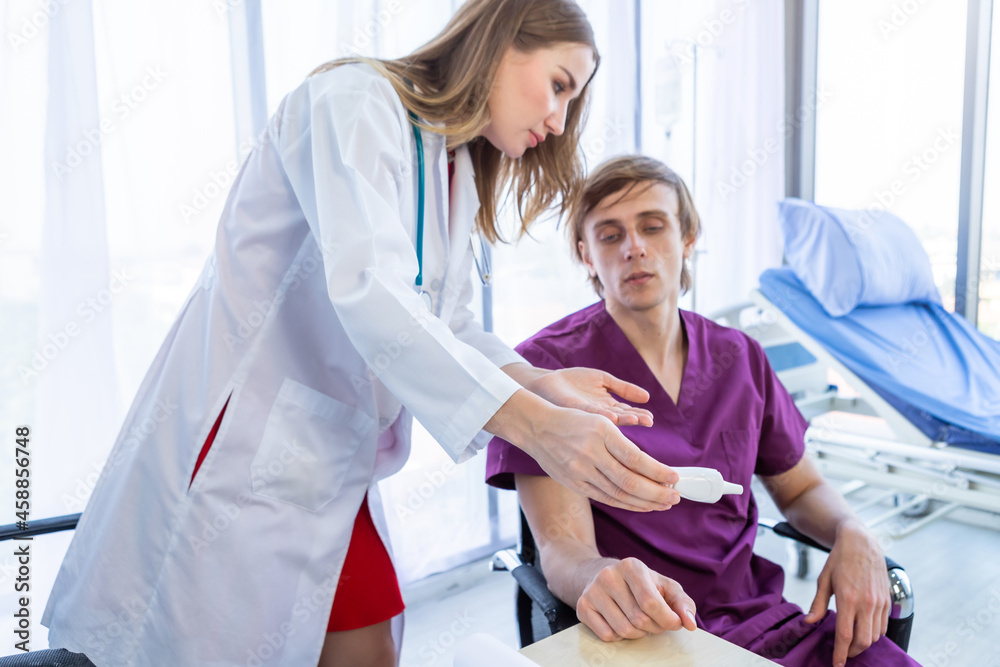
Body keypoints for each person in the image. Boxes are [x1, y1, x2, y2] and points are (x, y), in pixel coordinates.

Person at [40, 4, 687, 666]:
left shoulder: (451, 165)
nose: (557, 121)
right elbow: (370, 293)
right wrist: (538, 427)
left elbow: (449, 321)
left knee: (367, 647)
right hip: (244, 453)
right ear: (500, 40)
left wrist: (541, 385)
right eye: (558, 85)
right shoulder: (354, 100)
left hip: (328, 466)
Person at [486, 155, 922, 667]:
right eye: (609, 235)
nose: (634, 248)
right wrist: (598, 580)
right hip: (645, 631)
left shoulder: (740, 357)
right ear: (586, 255)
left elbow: (800, 488)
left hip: (769, 623)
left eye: (653, 226)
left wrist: (854, 532)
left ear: (687, 237)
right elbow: (562, 551)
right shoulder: (546, 370)